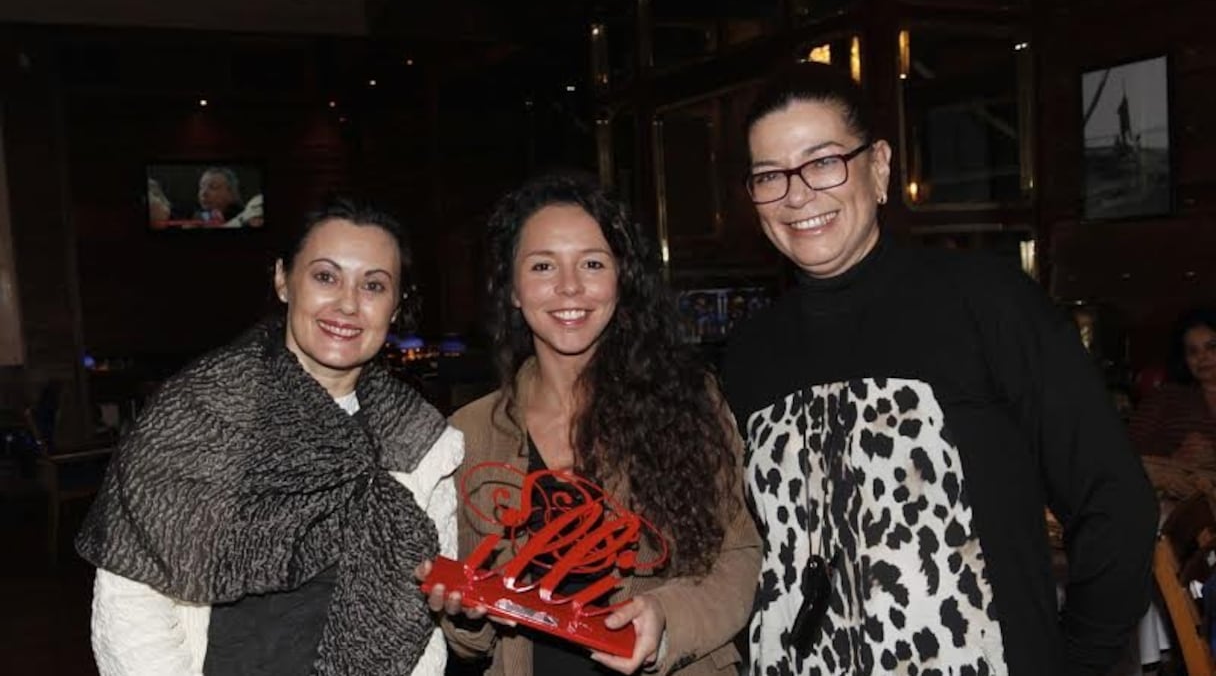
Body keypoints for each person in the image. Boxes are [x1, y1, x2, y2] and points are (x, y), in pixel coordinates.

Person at [720, 62, 1157, 675]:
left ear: (879, 168)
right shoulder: (747, 355)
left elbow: (1116, 501)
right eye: (770, 175)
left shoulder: (986, 303)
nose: (796, 194)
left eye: (822, 163)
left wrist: (1077, 659)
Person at [76, 199, 463, 676]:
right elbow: (131, 601)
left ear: (396, 305)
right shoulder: (202, 414)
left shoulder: (419, 438)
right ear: (283, 279)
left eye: (374, 285)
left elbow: (420, 621)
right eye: (325, 276)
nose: (347, 303)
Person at [420, 173, 761, 675]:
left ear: (621, 278)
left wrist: (666, 618)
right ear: (513, 289)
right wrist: (466, 618)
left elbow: (740, 557)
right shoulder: (470, 434)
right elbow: (475, 639)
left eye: (593, 263)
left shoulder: (687, 404)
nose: (570, 287)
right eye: (542, 266)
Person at [1130, 307, 1216, 466]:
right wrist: (1174, 458)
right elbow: (1127, 449)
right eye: (1192, 351)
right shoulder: (1164, 397)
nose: (1202, 357)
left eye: (1211, 347)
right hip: (1171, 484)